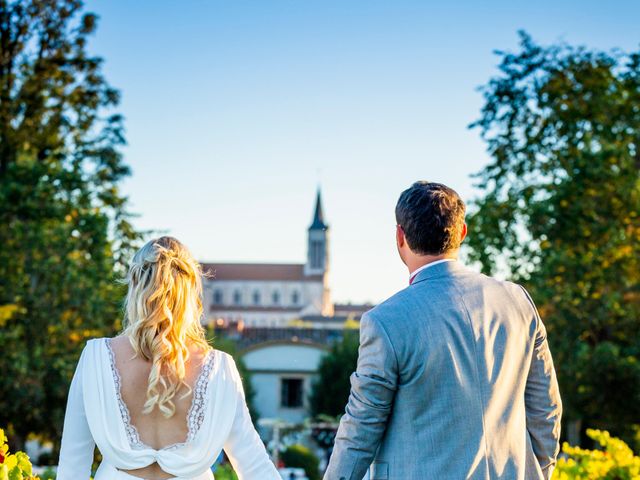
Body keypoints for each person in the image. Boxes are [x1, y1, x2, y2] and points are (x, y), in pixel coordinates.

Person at [324, 181, 562, 480]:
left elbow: (360, 429)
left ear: (400, 236)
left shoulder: (385, 322)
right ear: (462, 233)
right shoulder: (518, 303)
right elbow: (546, 410)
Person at [57, 236, 281, 480]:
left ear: (134, 284)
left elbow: (72, 466)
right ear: (191, 293)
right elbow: (255, 465)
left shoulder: (96, 358)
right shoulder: (220, 369)